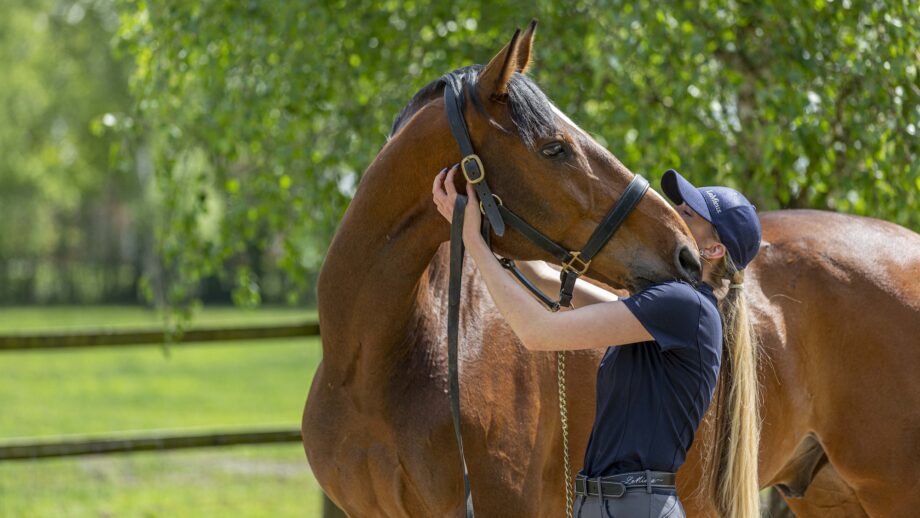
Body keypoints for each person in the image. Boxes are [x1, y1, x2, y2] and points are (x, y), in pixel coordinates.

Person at [432, 165, 763, 518]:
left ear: (713, 249)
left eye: (688, 213)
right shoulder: (672, 313)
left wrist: (472, 241)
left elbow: (537, 332)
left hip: (631, 507)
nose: (674, 215)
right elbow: (545, 277)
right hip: (610, 504)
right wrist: (487, 221)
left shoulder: (685, 306)